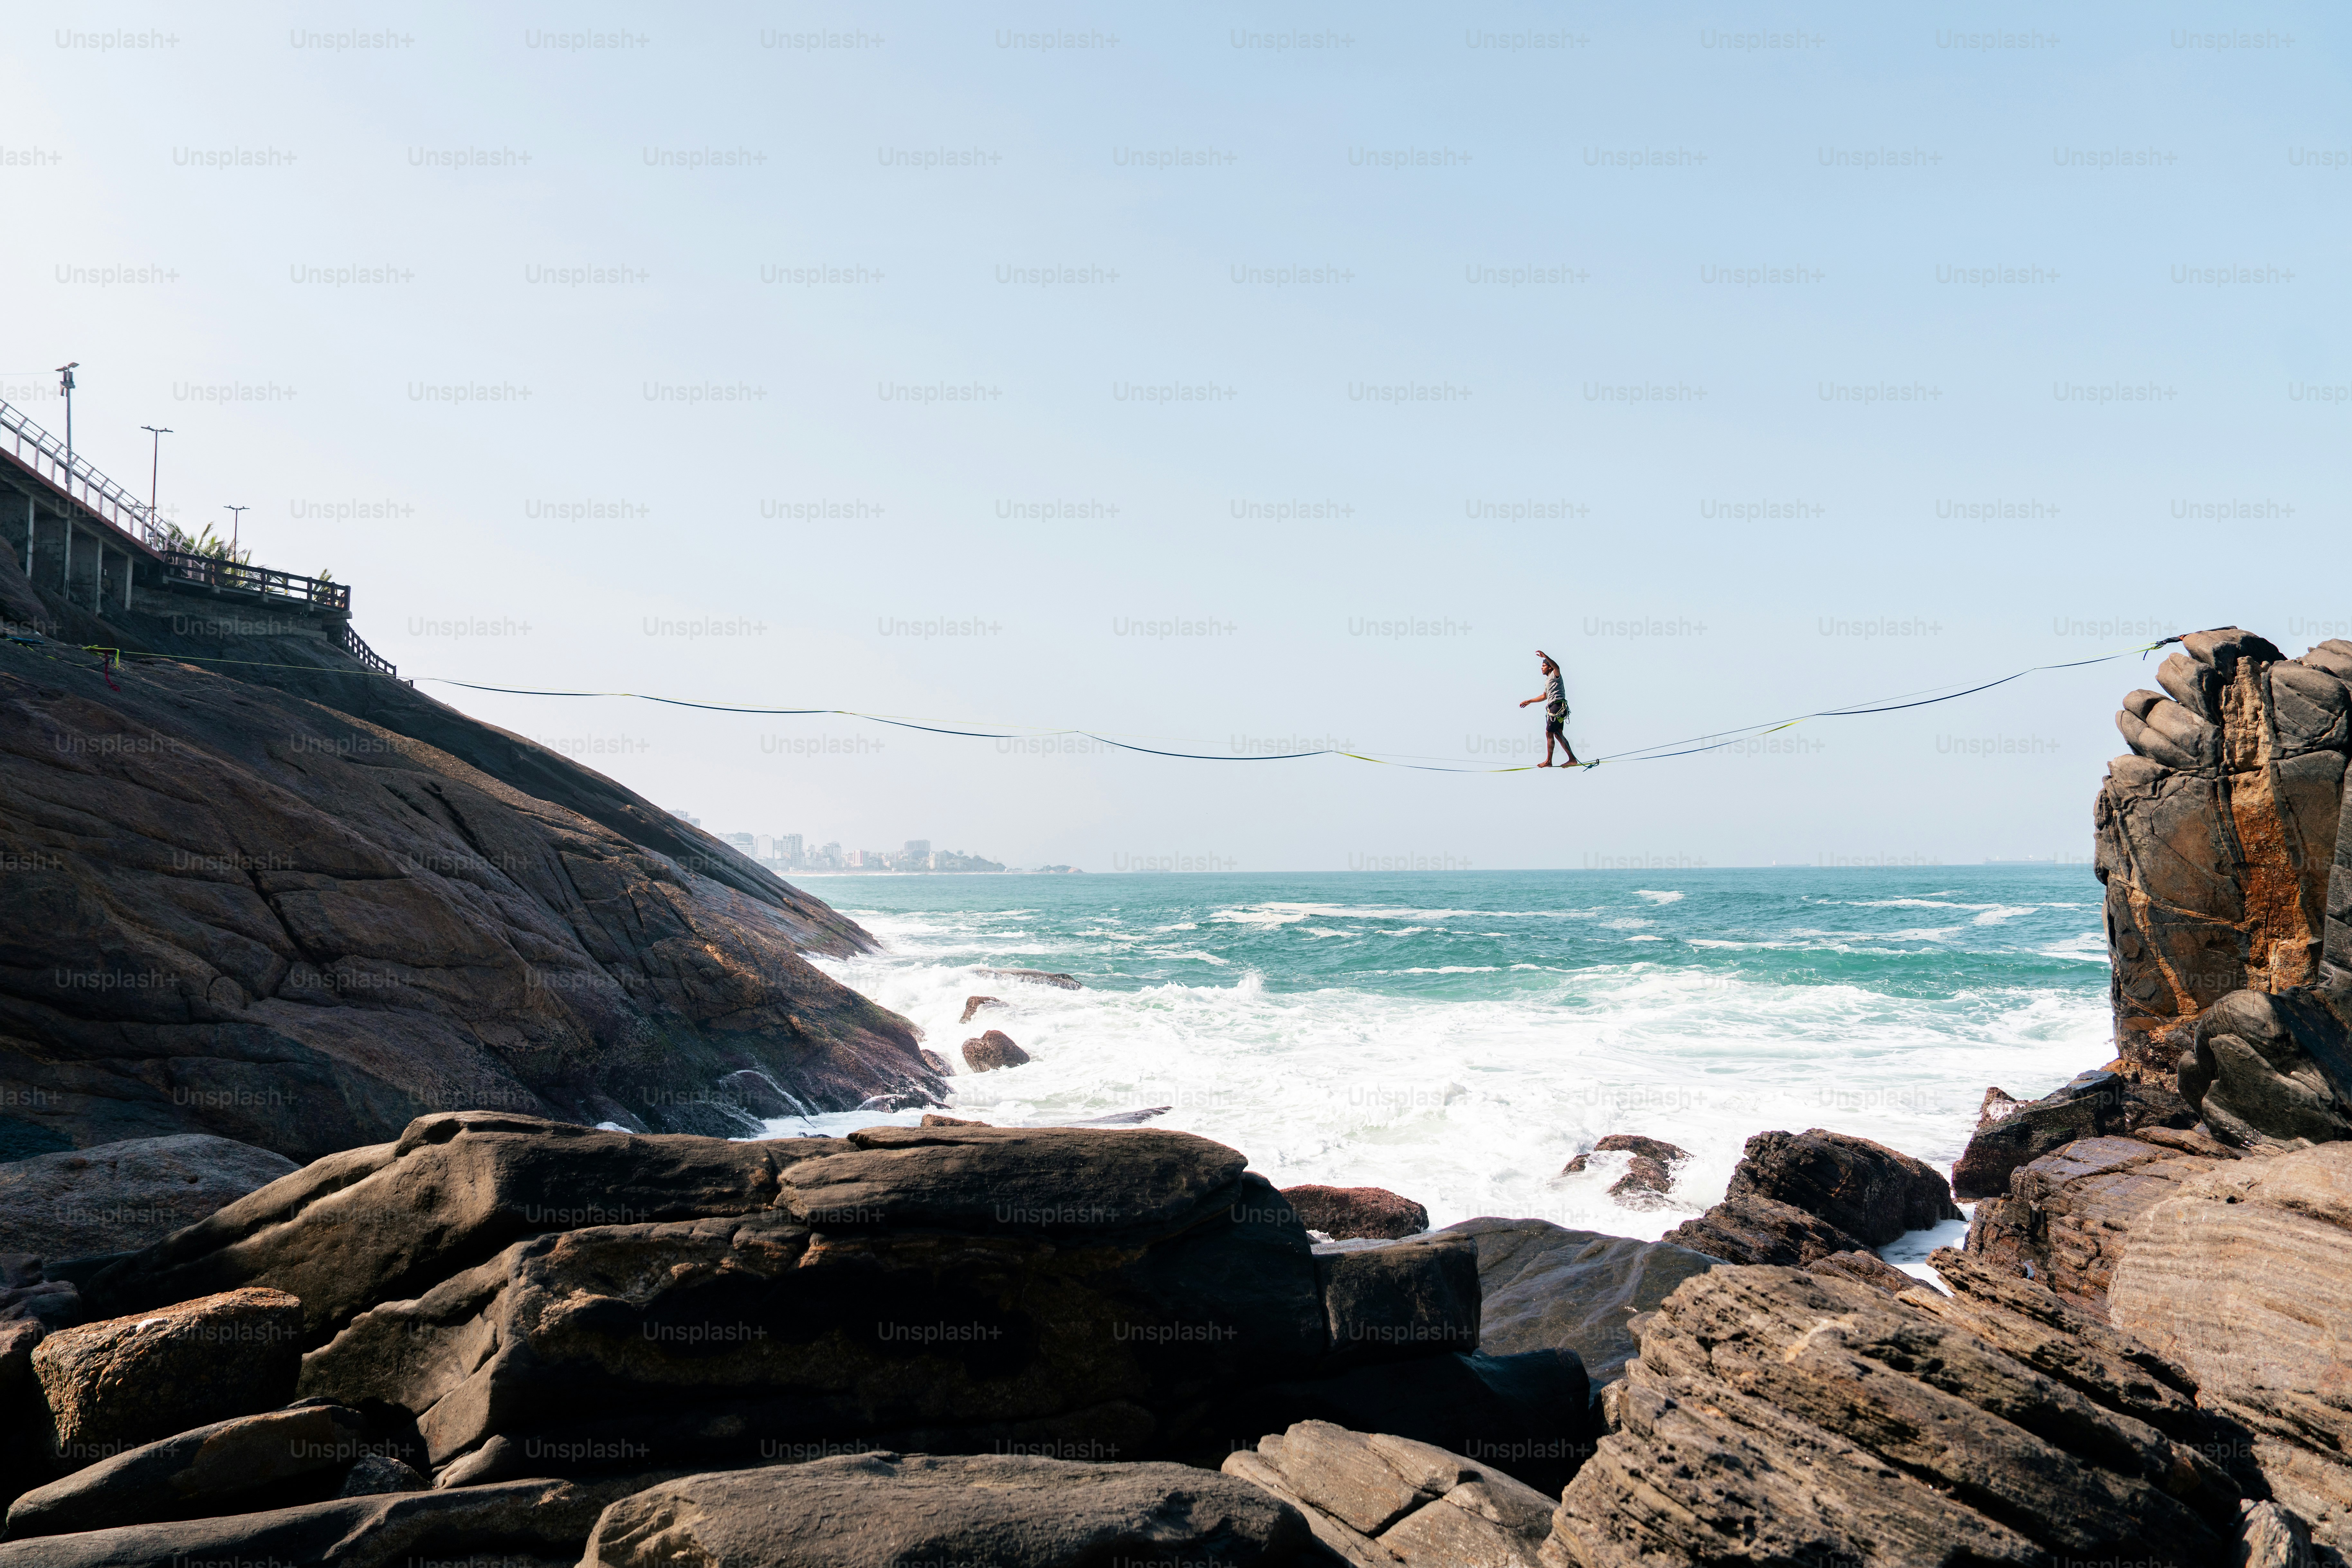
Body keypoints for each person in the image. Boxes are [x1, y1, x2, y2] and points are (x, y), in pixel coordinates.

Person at [1518, 651, 1580, 768]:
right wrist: (1530, 701)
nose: (1542, 668)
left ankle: (1549, 761)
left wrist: (1545, 656)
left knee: (1549, 733)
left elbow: (1557, 667)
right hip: (1557, 708)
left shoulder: (1555, 675)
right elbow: (1544, 696)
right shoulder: (1547, 681)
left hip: (1557, 707)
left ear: (1550, 668)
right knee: (1557, 734)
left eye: (1544, 666)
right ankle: (1572, 759)